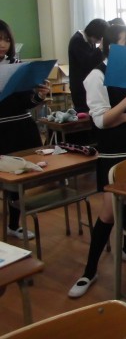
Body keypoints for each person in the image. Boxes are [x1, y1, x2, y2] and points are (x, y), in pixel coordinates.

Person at [68, 25, 126, 299]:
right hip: (114, 153)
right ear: (110, 47)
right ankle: (89, 270)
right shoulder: (97, 75)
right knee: (108, 213)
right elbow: (102, 121)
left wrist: (125, 116)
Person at [0, 19, 50, 240]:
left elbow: (26, 102)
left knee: (19, 180)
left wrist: (38, 96)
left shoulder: (18, 66)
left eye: (6, 39)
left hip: (22, 128)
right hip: (1, 131)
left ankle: (13, 224)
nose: (3, 44)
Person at [68, 18, 109, 114]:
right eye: (99, 38)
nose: (98, 41)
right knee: (84, 112)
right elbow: (87, 62)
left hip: (87, 82)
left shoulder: (89, 40)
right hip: (80, 85)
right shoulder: (77, 40)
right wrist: (100, 48)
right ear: (94, 33)